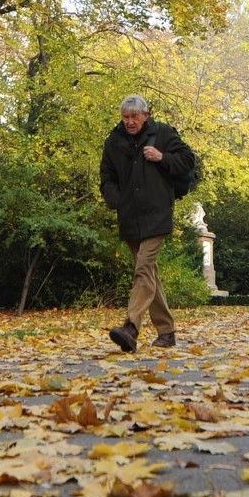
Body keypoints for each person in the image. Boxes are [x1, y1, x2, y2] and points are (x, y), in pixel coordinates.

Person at [98, 94, 195, 352]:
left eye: (134, 117)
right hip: (129, 217)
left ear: (146, 115)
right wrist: (115, 199)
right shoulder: (113, 141)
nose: (130, 122)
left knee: (143, 269)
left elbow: (188, 160)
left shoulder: (162, 134)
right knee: (149, 274)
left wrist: (162, 157)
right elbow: (106, 176)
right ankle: (167, 332)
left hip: (157, 214)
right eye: (125, 117)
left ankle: (131, 327)